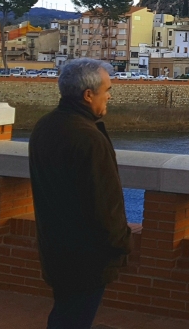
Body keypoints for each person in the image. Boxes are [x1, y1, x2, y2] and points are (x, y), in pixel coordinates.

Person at [29, 59, 131, 329]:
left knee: (64, 314)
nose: (110, 95)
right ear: (88, 95)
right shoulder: (88, 138)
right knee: (73, 319)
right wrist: (122, 245)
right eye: (107, 89)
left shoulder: (44, 126)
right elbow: (105, 204)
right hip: (86, 258)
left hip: (54, 249)